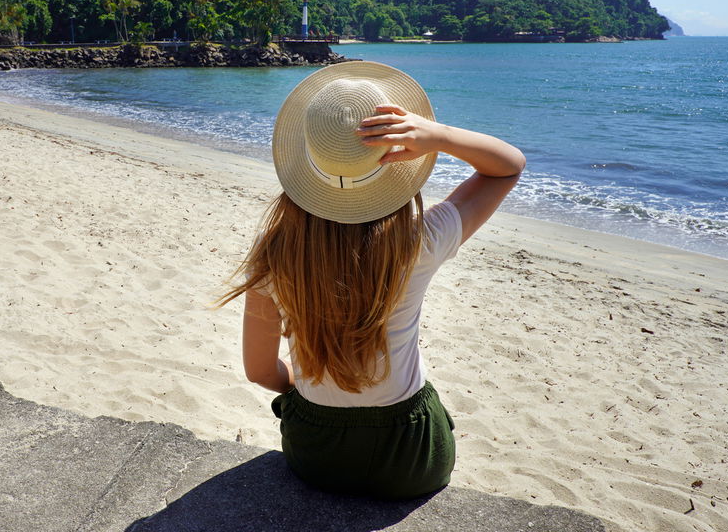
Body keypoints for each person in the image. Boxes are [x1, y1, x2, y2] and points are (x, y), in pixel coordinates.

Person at [219, 61, 524, 499]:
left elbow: (260, 371)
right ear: (400, 165)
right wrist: (437, 135)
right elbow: (508, 166)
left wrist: (302, 390)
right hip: (409, 459)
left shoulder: (274, 254)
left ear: (305, 166)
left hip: (316, 455)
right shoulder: (419, 240)